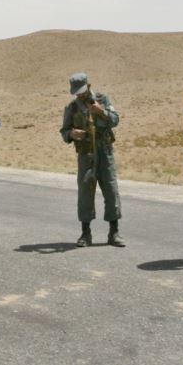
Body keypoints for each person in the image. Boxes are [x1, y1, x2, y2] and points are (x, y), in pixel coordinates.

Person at [60, 73, 124, 247]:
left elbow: (116, 120)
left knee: (111, 190)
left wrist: (101, 112)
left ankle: (114, 232)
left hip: (105, 152)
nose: (80, 95)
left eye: (82, 91)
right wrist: (71, 134)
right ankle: (85, 233)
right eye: (76, 92)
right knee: (85, 194)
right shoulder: (72, 107)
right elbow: (64, 131)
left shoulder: (103, 99)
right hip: (86, 155)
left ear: (89, 86)